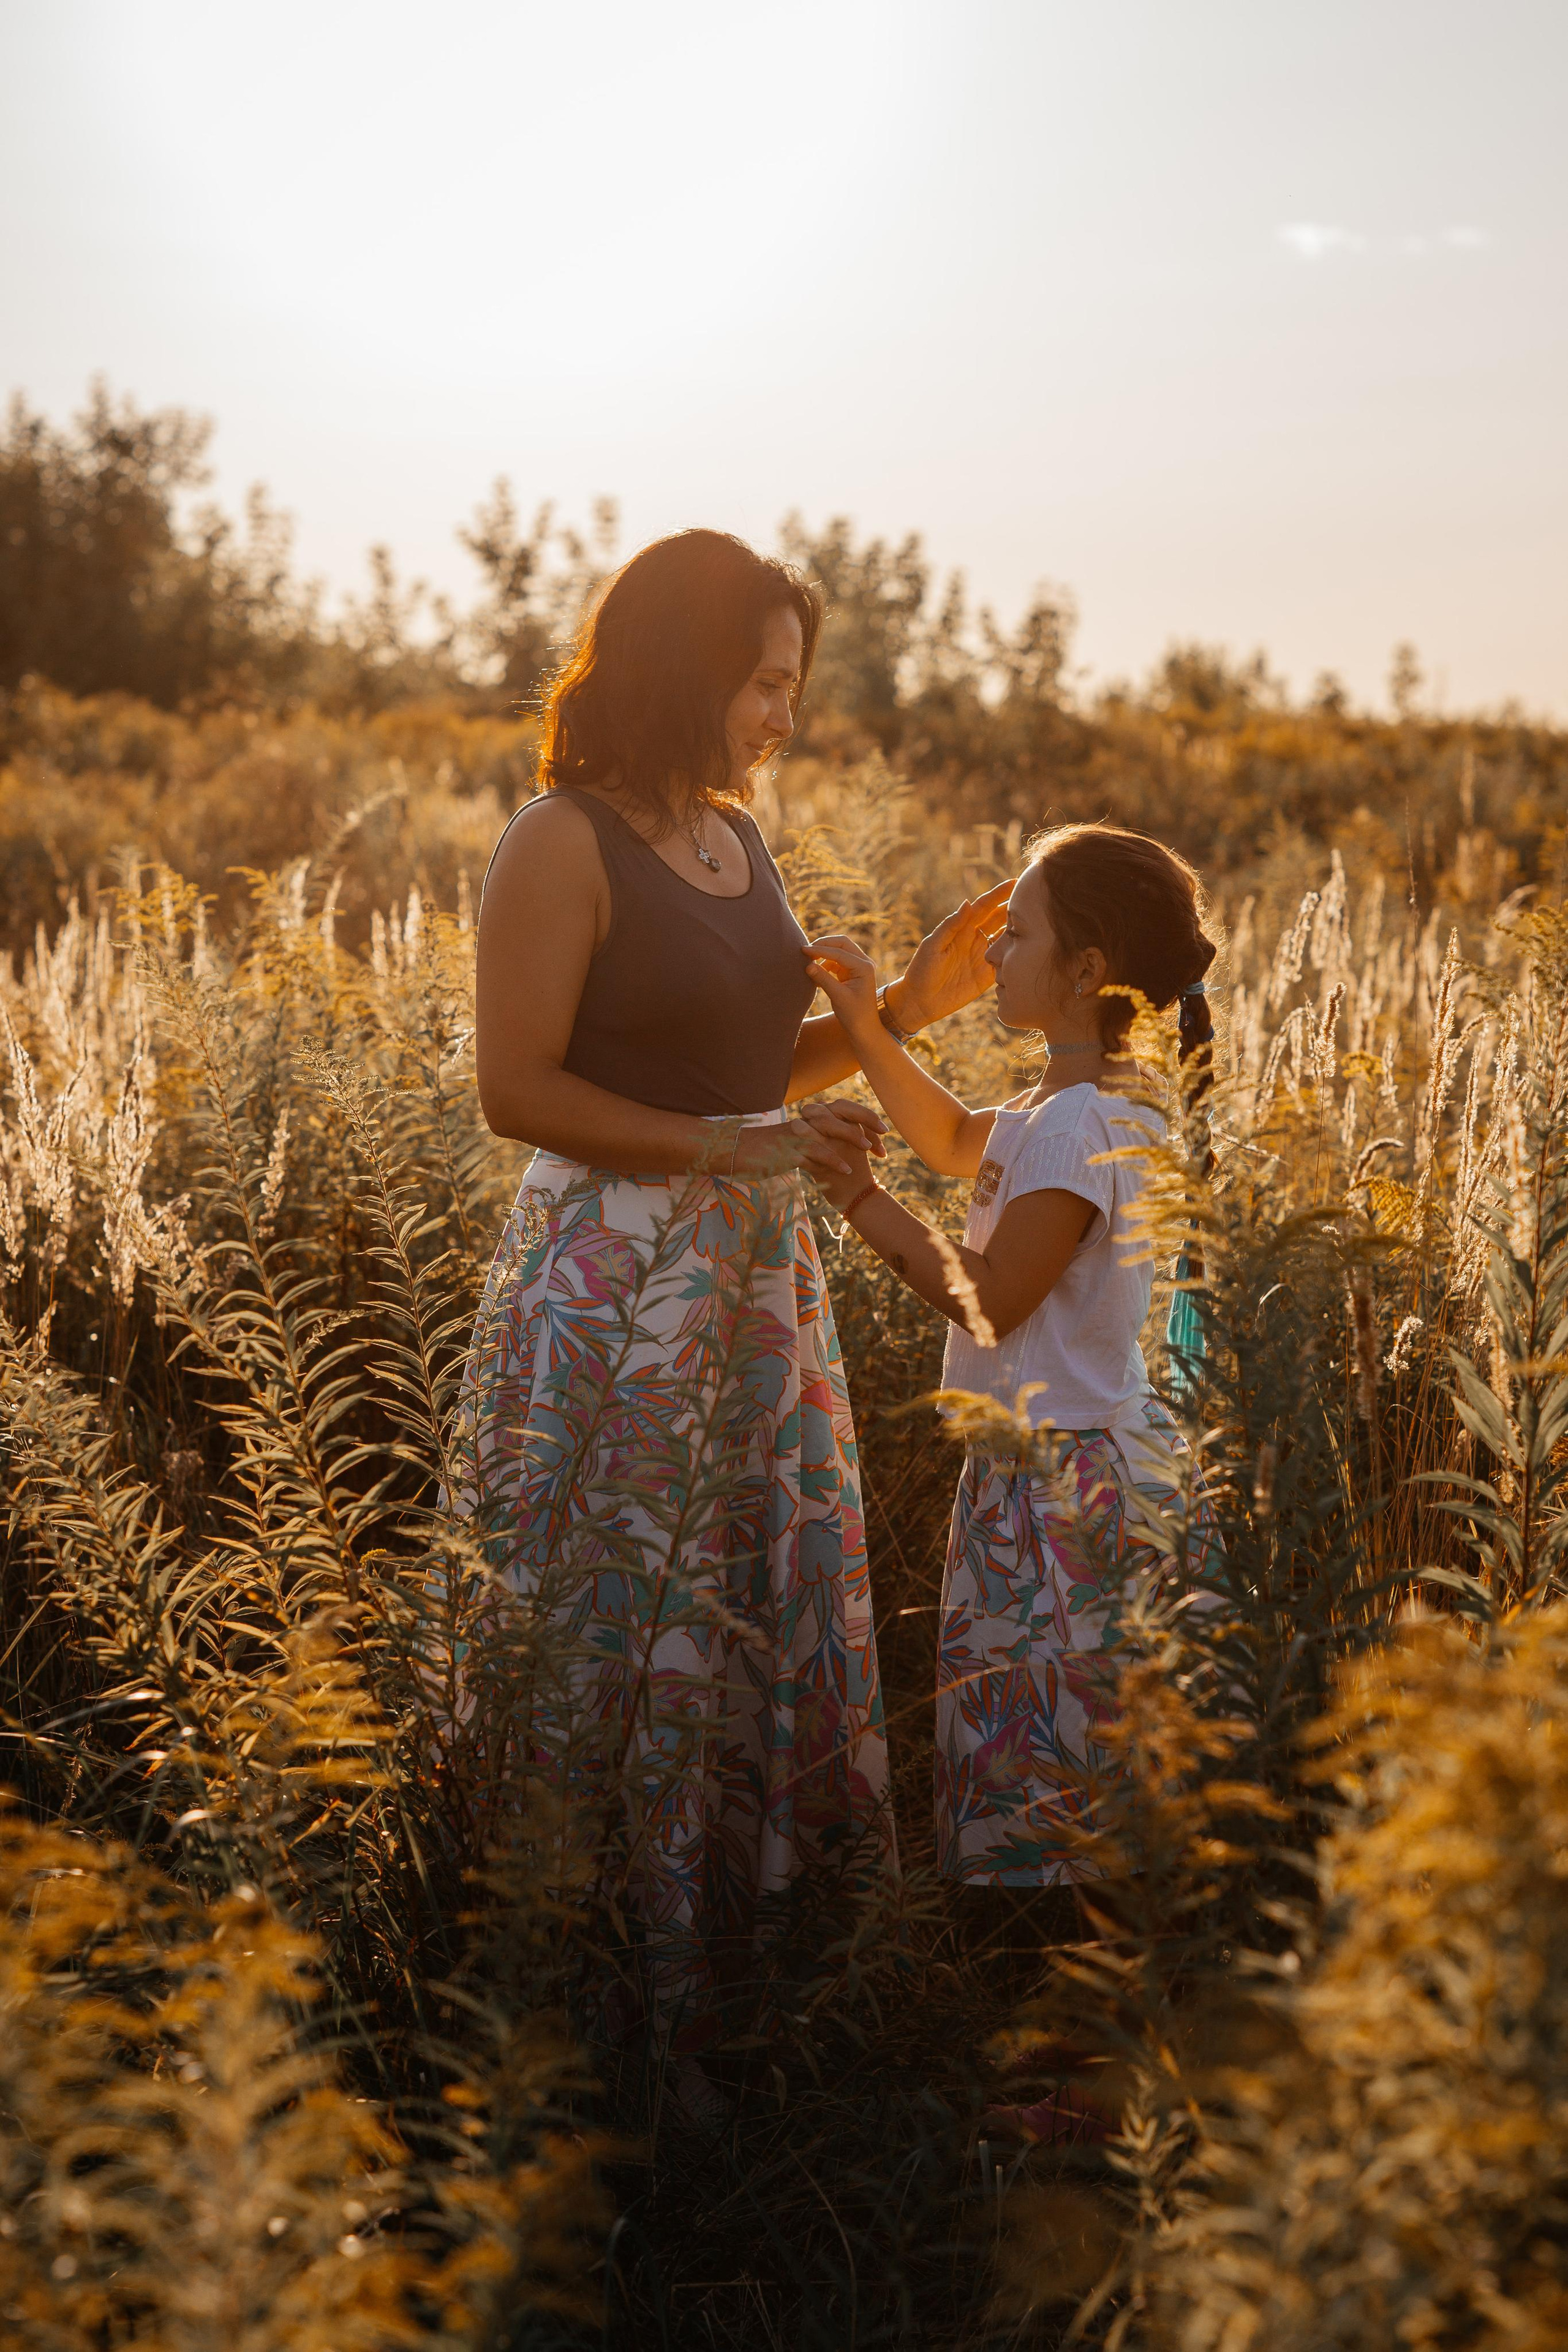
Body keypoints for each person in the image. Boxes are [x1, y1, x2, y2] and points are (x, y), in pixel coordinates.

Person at [458, 527, 1008, 2122]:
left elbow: (747, 1077)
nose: (782, 715)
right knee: (630, 1626)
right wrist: (733, 1151)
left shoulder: (736, 847)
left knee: (751, 1622)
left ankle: (747, 2003)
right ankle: (593, 2036)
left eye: (793, 687)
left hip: (754, 1295)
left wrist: (898, 1010)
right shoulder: (557, 841)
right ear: (687, 670)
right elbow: (519, 1090)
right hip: (615, 1294)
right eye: (764, 682)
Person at [804, 821, 1220, 1909]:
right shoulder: (1075, 1108)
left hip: (1064, 1499)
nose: (993, 955)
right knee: (1066, 1771)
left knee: (1064, 1790)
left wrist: (856, 1199)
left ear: (1084, 971)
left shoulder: (1080, 1127)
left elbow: (992, 1300)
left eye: (1017, 935)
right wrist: (863, 1017)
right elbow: (948, 1139)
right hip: (1050, 1478)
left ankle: (1081, 2064)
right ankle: (1073, 2055)